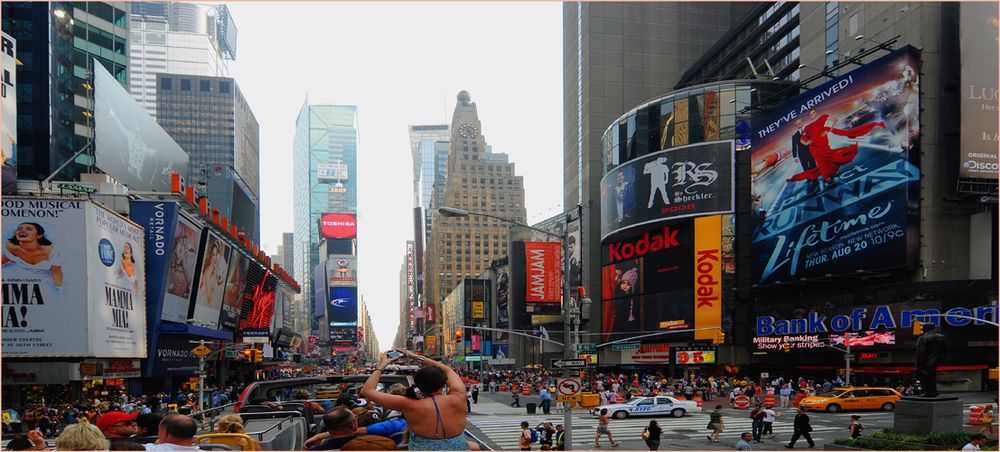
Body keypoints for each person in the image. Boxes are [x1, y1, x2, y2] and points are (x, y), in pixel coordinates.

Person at [360, 350, 468, 450]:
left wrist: (382, 365)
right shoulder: (459, 395)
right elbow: (447, 370)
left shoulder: (409, 405)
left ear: (419, 386)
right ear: (444, 383)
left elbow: (367, 391)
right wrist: (416, 357)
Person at [914, 323, 948, 397]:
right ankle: (933, 391)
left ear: (924, 329)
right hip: (936, 360)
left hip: (926, 361)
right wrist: (941, 359)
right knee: (932, 376)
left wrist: (918, 364)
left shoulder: (923, 338)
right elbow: (945, 349)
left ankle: (930, 392)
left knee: (927, 377)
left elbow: (921, 352)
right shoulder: (941, 337)